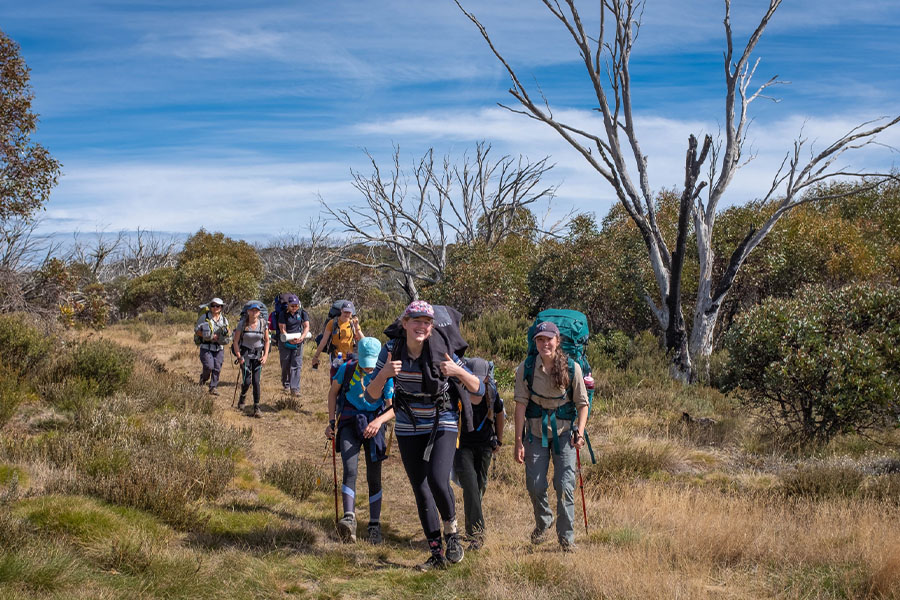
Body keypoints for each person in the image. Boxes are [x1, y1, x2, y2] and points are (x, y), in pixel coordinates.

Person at [365, 300, 484, 571]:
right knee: (420, 488)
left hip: (441, 419)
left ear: (431, 328)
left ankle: (452, 534)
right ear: (404, 324)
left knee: (437, 480)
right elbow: (370, 395)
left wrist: (457, 371)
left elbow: (477, 389)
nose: (421, 326)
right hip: (408, 423)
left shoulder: (442, 351)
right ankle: (436, 553)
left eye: (427, 322)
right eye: (416, 321)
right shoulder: (390, 351)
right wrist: (383, 374)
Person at [514, 321, 588, 552]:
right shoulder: (525, 369)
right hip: (535, 435)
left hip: (565, 435)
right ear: (535, 342)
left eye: (549, 339)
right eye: (540, 339)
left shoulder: (572, 368)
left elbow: (582, 404)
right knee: (535, 485)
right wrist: (518, 442)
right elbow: (520, 407)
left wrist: (581, 433)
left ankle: (566, 539)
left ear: (557, 341)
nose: (545, 343)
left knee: (564, 486)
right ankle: (544, 519)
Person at [325, 337, 393, 545]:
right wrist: (331, 422)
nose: (369, 368)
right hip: (348, 423)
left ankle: (374, 525)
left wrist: (379, 423)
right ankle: (349, 519)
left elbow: (392, 408)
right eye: (366, 363)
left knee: (374, 477)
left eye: (372, 363)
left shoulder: (385, 374)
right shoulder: (346, 369)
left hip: (375, 426)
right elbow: (332, 393)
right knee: (350, 469)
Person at [453, 357, 504, 550]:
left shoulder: (491, 391)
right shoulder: (458, 392)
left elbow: (499, 413)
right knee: (471, 487)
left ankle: (471, 525)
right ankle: (477, 535)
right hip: (462, 446)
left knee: (480, 487)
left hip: (484, 446)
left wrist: (499, 439)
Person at [232, 301, 270, 418]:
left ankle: (256, 407)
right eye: (252, 310)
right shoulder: (242, 324)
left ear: (259, 313)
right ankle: (242, 397)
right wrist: (239, 356)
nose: (254, 313)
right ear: (248, 312)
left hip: (258, 355)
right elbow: (235, 341)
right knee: (247, 381)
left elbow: (267, 340)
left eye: (256, 311)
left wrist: (265, 356)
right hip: (245, 355)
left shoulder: (263, 324)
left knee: (256, 382)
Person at [312, 301, 363, 377]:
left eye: (349, 312)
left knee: (348, 382)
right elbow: (324, 341)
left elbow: (364, 340)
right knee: (336, 379)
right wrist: (316, 356)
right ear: (341, 310)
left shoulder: (353, 323)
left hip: (350, 357)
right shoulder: (332, 323)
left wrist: (357, 328)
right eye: (345, 311)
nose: (347, 314)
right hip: (336, 357)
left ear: (352, 313)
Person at [276, 294, 310, 399]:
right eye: (292, 306)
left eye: (296, 306)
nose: (294, 308)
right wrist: (289, 339)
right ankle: (286, 384)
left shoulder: (302, 313)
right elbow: (282, 329)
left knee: (296, 365)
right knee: (285, 363)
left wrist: (302, 338)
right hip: (285, 341)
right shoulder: (283, 314)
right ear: (288, 305)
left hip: (298, 341)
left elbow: (306, 326)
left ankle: (295, 388)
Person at [196, 297, 229, 396]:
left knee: (217, 367)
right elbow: (197, 330)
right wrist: (208, 336)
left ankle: (213, 387)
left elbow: (228, 330)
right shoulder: (204, 317)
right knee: (209, 366)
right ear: (210, 307)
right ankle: (204, 378)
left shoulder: (224, 319)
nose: (215, 308)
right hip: (206, 347)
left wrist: (225, 335)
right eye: (213, 306)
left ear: (221, 307)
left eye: (218, 306)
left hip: (219, 348)